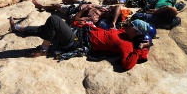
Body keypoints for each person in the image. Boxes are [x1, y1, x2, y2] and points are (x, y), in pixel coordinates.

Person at [12, 17, 154, 70]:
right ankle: (20, 29)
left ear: (135, 32)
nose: (127, 24)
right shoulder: (122, 32)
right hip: (81, 32)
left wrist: (139, 48)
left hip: (76, 42)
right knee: (50, 29)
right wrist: (88, 24)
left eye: (131, 25)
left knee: (54, 21)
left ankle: (44, 48)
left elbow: (127, 64)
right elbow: (104, 33)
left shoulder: (127, 45)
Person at [32, 0, 126, 29]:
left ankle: (42, 7)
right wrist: (114, 21)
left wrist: (85, 9)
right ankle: (65, 0)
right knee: (74, 0)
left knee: (57, 6)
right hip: (84, 3)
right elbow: (118, 7)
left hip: (76, 9)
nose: (109, 11)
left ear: (107, 19)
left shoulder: (95, 19)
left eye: (109, 14)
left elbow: (75, 19)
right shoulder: (107, 10)